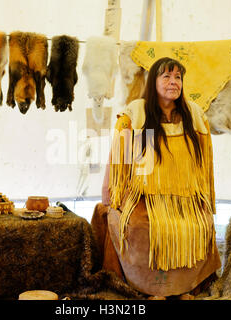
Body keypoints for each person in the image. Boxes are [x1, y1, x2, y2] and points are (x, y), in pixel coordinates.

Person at [92, 57, 221, 299]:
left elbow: (205, 161)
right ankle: (149, 287)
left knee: (199, 224)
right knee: (141, 227)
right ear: (154, 82)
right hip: (145, 196)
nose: (174, 82)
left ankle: (184, 286)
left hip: (185, 197)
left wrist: (203, 195)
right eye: (167, 76)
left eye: (178, 77)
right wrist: (109, 186)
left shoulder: (193, 114)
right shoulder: (138, 114)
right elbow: (119, 156)